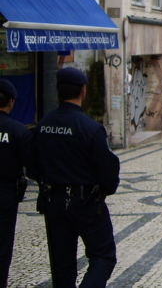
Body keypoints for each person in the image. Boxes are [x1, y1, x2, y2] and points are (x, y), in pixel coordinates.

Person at [28, 67, 120, 287]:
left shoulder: (41, 126)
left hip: (53, 202)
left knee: (62, 266)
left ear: (58, 91)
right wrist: (103, 190)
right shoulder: (90, 128)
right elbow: (108, 170)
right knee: (103, 256)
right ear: (83, 91)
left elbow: (31, 166)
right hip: (86, 202)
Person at [0, 79, 32, 287]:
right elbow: (32, 165)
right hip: (5, 194)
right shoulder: (18, 131)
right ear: (11, 102)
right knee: (2, 244)